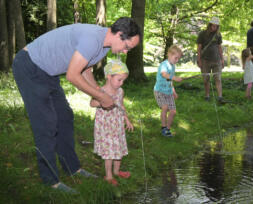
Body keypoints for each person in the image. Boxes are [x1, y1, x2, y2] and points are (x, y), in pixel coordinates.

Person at [12, 17, 141, 193]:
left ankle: (73, 168)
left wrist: (99, 91)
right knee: (46, 123)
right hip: (30, 65)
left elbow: (85, 69)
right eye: (127, 47)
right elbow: (72, 76)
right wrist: (102, 98)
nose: (126, 52)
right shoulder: (92, 39)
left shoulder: (103, 47)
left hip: (48, 72)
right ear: (119, 35)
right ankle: (50, 181)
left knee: (65, 116)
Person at [90, 60, 133, 186]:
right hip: (105, 126)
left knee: (118, 148)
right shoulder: (101, 91)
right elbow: (92, 103)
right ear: (109, 76)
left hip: (117, 125)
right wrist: (102, 101)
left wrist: (127, 119)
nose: (121, 83)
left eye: (123, 80)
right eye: (119, 80)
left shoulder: (120, 91)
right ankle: (108, 175)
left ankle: (116, 171)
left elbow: (122, 106)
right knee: (109, 152)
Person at [154, 45, 182, 137]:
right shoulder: (164, 64)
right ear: (169, 54)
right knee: (165, 107)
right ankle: (163, 127)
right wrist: (174, 77)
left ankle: (168, 129)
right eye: (176, 57)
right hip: (160, 91)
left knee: (173, 112)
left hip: (169, 92)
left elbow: (170, 81)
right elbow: (164, 74)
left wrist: (173, 91)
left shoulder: (173, 66)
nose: (177, 60)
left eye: (178, 58)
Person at [197, 16, 224, 103]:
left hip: (217, 60)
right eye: (213, 25)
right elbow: (199, 48)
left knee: (218, 78)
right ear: (210, 25)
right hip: (205, 61)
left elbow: (220, 48)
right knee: (206, 79)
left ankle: (220, 97)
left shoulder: (218, 35)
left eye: (216, 26)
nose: (214, 27)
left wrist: (222, 59)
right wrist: (199, 60)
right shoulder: (202, 34)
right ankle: (207, 96)